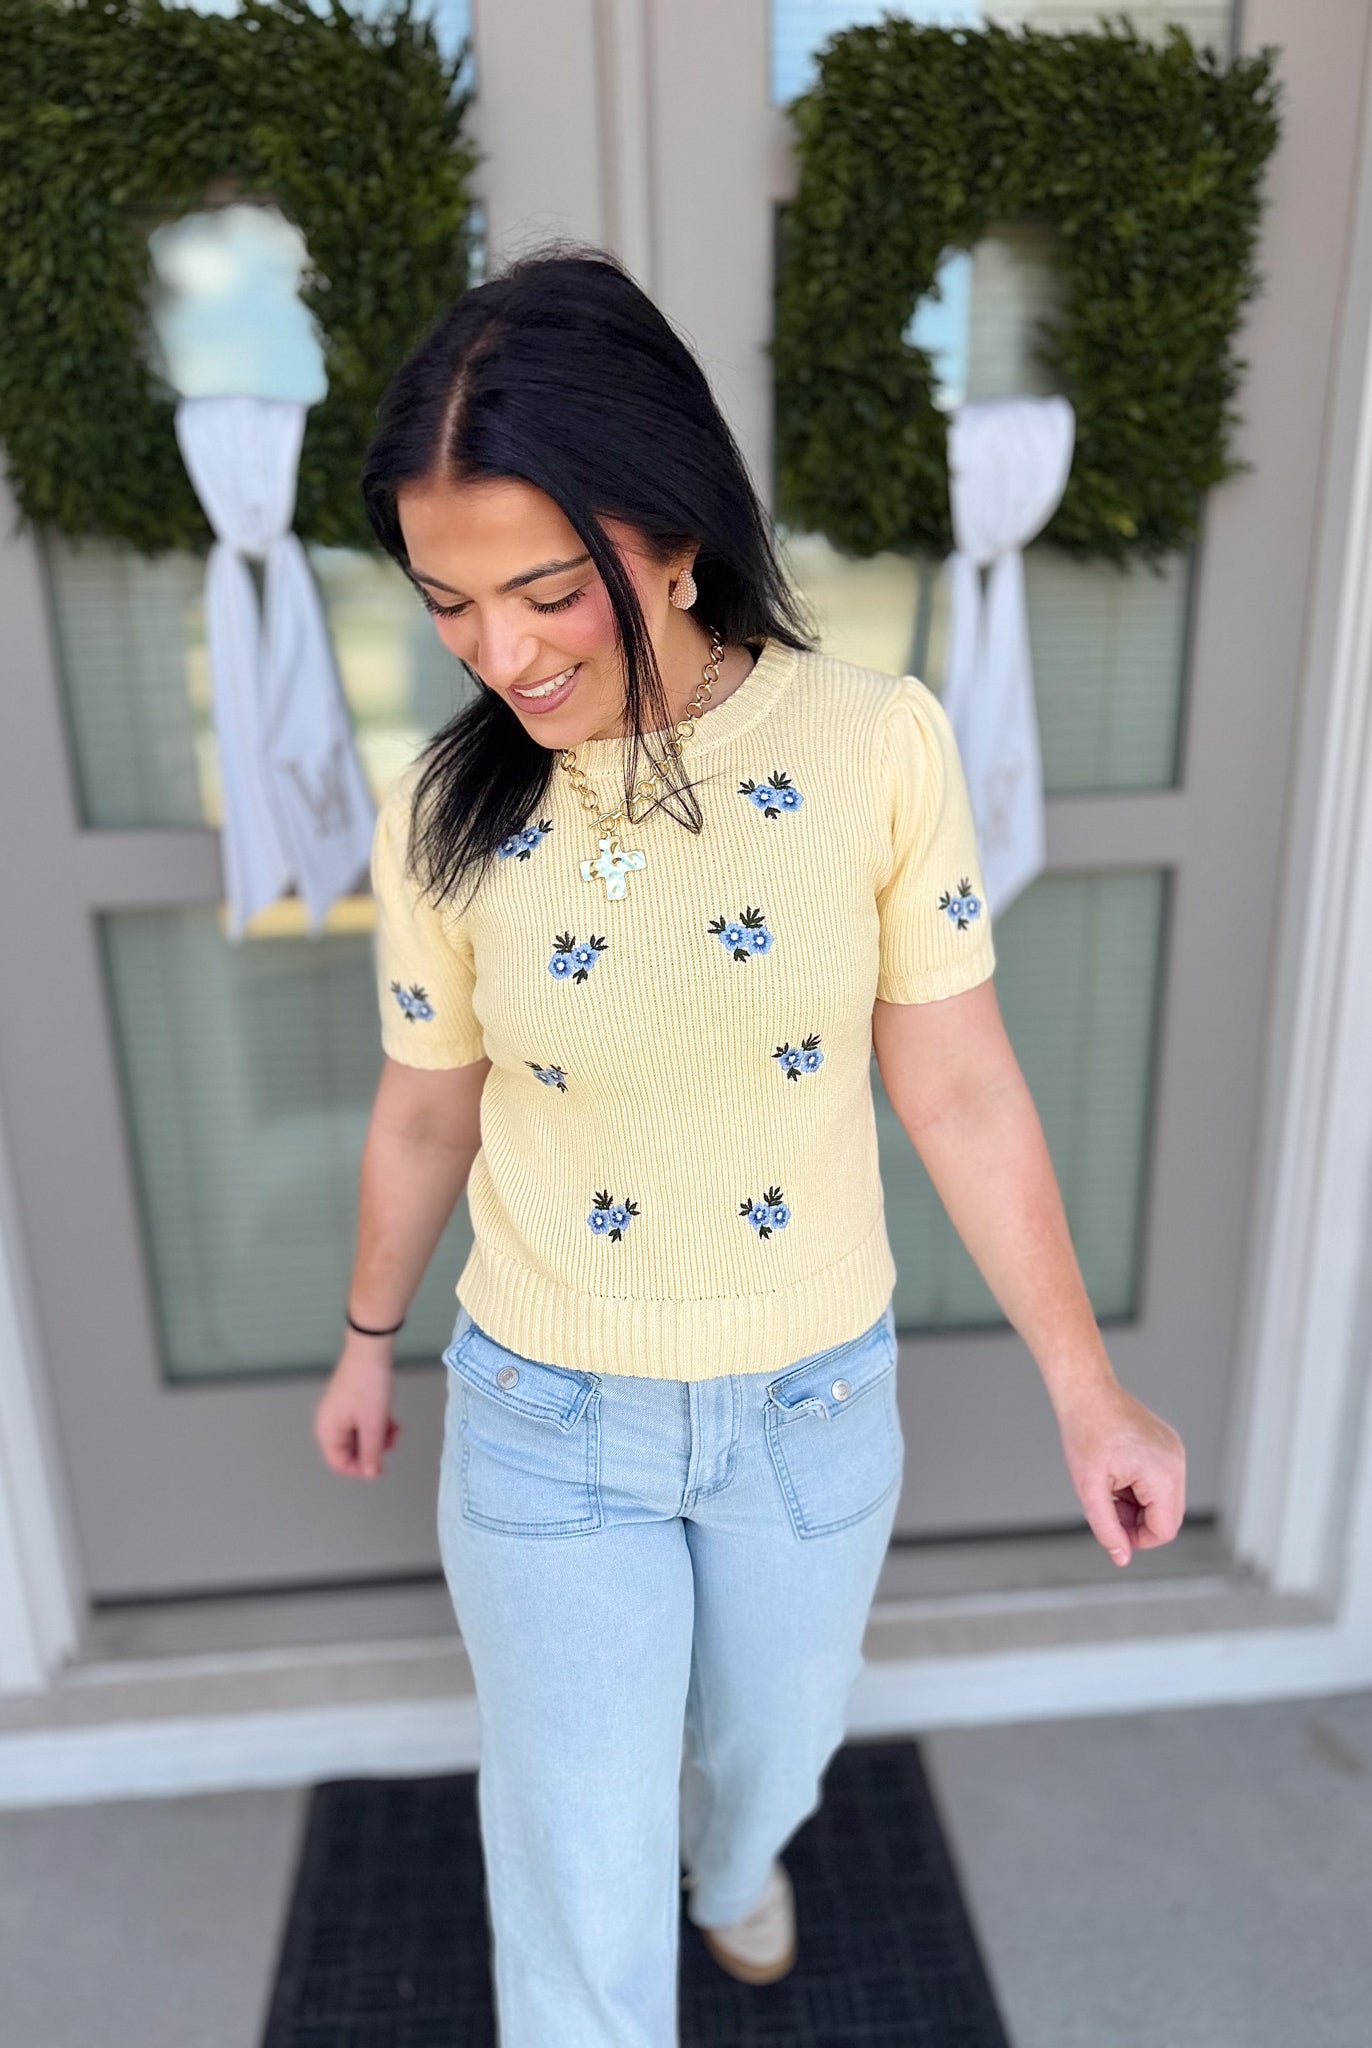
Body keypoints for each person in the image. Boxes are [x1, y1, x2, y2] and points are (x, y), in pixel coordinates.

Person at [313, 245, 1186, 2047]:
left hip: (808, 1407)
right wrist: (367, 1337)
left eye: (547, 591)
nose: (499, 653)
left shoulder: (873, 748)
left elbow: (957, 1087)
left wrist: (1088, 1387)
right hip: (548, 1413)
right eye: (449, 603)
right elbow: (427, 1101)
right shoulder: (445, 809)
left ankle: (739, 1862)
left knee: (768, 1750)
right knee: (571, 1856)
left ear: (675, 531)